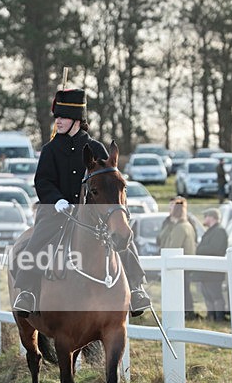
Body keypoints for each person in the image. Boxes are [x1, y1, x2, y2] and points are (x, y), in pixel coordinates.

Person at [11, 88, 151, 316]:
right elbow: (42, 181)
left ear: (77, 119)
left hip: (94, 214)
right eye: (57, 117)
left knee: (124, 239)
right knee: (35, 244)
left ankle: (136, 288)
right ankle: (27, 292)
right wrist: (56, 200)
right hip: (56, 212)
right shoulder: (50, 149)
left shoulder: (96, 149)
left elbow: (108, 182)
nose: (58, 122)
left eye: (62, 117)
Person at [158, 197, 198, 317]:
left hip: (180, 264)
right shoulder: (186, 225)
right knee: (184, 289)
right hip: (185, 263)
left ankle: (186, 312)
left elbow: (173, 247)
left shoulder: (180, 227)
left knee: (181, 290)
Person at [195, 208, 228, 321]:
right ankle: (211, 317)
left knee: (215, 295)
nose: (204, 219)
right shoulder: (211, 231)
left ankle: (219, 318)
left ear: (212, 217)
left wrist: (199, 249)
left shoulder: (219, 231)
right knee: (207, 295)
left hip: (213, 272)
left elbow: (216, 249)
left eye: (206, 216)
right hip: (207, 272)